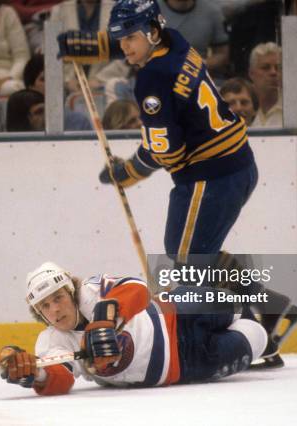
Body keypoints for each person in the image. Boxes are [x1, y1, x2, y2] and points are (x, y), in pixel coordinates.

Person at [58, 0, 258, 261]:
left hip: (211, 176)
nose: (123, 46)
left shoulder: (152, 79)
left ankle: (260, 301)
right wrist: (98, 45)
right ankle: (269, 302)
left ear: (152, 32)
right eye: (119, 37)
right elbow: (138, 46)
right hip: (238, 166)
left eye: (129, 37)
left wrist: (130, 171)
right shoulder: (175, 40)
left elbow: (169, 152)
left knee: (189, 261)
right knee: (189, 256)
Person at [0, 262, 268, 395]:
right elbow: (61, 376)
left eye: (58, 298)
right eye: (45, 306)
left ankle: (251, 296)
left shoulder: (92, 290)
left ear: (71, 292)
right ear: (39, 314)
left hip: (178, 311)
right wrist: (37, 373)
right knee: (258, 337)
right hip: (187, 364)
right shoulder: (52, 341)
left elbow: (137, 288)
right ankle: (258, 330)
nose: (55, 309)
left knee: (232, 303)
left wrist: (106, 317)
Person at [248, 42, 297, 127]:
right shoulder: (242, 106)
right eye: (265, 67)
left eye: (278, 68)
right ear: (251, 73)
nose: (273, 72)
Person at [158, 0, 229, 77]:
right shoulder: (151, 11)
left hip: (197, 76)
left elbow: (223, 53)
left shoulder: (212, 12)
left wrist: (200, 64)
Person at [22, 54, 91, 130]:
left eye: (55, 78)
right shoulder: (21, 120)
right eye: (43, 79)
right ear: (30, 87)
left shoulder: (78, 122)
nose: (51, 83)